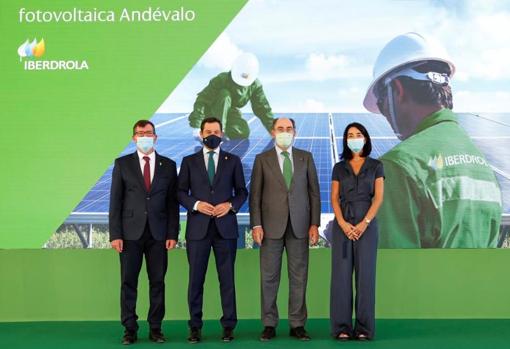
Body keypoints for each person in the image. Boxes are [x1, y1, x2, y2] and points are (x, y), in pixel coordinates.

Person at [363, 32, 502, 248]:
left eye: (381, 103)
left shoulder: (396, 167)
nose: (384, 114)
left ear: (397, 91)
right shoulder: (483, 166)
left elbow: (389, 274)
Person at [249, 117, 321, 341]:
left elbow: (314, 193)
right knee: (269, 277)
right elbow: (256, 196)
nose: (284, 132)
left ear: (295, 133)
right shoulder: (262, 160)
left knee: (299, 277)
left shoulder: (305, 157)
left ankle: (297, 324)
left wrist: (314, 224)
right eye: (280, 129)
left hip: (300, 226)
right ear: (273, 132)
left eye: (288, 129)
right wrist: (256, 224)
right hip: (270, 228)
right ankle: (269, 324)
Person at [109, 120, 180, 345]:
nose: (144, 137)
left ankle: (156, 328)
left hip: (159, 234)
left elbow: (172, 203)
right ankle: (129, 329)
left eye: (148, 133)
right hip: (130, 234)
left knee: (157, 282)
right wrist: (115, 234)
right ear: (134, 138)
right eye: (140, 133)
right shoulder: (122, 164)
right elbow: (115, 202)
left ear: (156, 137)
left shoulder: (168, 165)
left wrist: (172, 233)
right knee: (128, 282)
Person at [178, 117, 248, 343]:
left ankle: (228, 326)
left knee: (227, 280)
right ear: (201, 134)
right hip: (198, 229)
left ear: (222, 133)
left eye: (216, 131)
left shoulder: (233, 161)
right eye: (208, 131)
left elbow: (241, 192)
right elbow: (180, 193)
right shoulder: (189, 161)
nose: (212, 134)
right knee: (195, 280)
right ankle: (195, 327)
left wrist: (230, 206)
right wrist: (197, 205)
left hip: (225, 229)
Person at [330, 123, 384, 341]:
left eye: (358, 134)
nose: (354, 138)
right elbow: (334, 198)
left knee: (366, 277)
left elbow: (378, 198)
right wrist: (343, 224)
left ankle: (364, 328)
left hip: (367, 226)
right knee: (341, 278)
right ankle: (342, 327)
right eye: (350, 135)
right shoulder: (339, 167)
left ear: (365, 138)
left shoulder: (376, 166)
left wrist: (365, 223)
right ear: (345, 140)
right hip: (343, 225)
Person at [188, 53, 274, 139]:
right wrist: (197, 126)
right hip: (209, 112)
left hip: (228, 114)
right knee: (225, 95)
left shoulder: (255, 85)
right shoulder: (222, 79)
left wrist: (273, 129)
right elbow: (202, 99)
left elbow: (263, 108)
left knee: (243, 132)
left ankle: (218, 129)